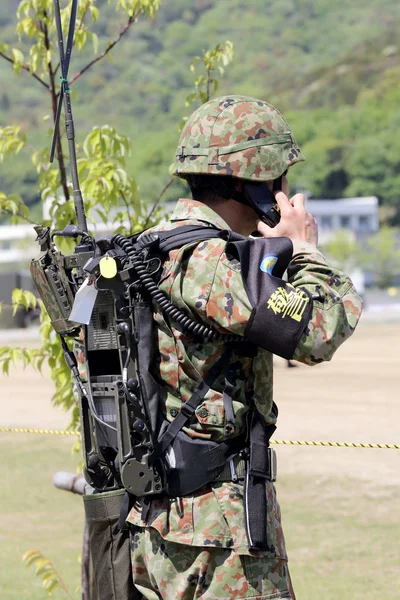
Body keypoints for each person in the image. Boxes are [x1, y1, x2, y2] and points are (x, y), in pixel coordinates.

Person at [126, 95, 363, 599]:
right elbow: (322, 332)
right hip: (221, 534)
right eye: (279, 179)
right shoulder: (213, 263)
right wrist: (306, 252)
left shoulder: (152, 247)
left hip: (164, 523)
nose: (285, 192)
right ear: (253, 183)